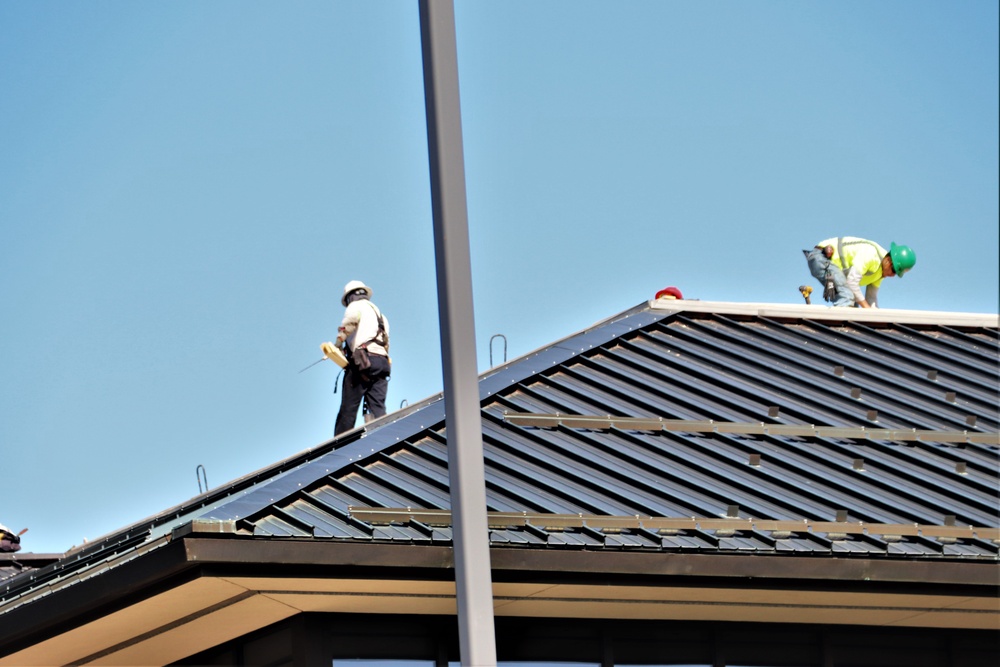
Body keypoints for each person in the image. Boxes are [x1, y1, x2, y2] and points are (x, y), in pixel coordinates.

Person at [329, 280, 391, 435]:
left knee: (349, 408)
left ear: (350, 297)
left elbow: (349, 323)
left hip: (363, 361)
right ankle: (384, 437)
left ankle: (340, 444)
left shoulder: (356, 307)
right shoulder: (381, 317)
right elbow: (386, 343)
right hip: (382, 363)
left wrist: (338, 343)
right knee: (378, 408)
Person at [803, 237, 915, 308]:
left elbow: (871, 300)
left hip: (830, 267)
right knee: (846, 298)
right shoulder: (872, 255)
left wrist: (877, 319)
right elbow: (852, 282)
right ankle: (837, 335)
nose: (892, 275)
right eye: (894, 270)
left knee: (854, 310)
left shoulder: (881, 272)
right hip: (822, 258)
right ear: (888, 260)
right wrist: (866, 308)